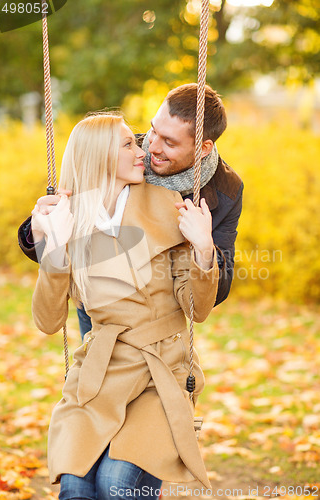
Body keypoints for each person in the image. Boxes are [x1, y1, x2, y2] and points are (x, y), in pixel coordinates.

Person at [31, 112, 219, 499]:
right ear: (100, 156)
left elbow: (197, 310)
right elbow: (48, 322)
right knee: (76, 488)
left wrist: (203, 248)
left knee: (117, 486)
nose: (143, 151)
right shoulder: (70, 218)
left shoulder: (168, 205)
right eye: (128, 144)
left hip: (159, 374)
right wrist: (53, 249)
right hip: (98, 375)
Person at [18, 83, 243, 339]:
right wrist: (34, 233)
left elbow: (216, 286)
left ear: (203, 148)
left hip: (159, 313)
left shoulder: (226, 191)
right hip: (100, 304)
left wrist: (203, 246)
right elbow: (75, 207)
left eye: (169, 142)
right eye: (153, 130)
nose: (150, 148)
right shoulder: (128, 152)